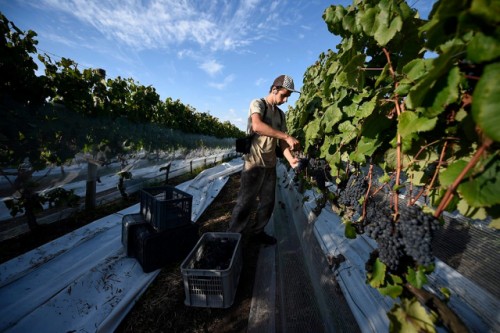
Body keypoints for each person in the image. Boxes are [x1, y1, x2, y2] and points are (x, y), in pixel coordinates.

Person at [228, 74, 301, 245]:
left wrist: (291, 160)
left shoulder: (281, 116)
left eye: (287, 97)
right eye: (284, 95)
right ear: (274, 89)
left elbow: (282, 143)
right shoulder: (258, 104)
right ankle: (233, 237)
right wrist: (287, 136)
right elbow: (257, 126)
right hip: (254, 163)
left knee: (268, 203)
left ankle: (257, 233)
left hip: (270, 165)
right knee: (245, 203)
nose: (285, 100)